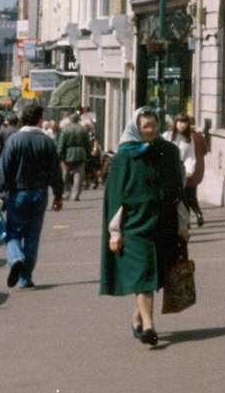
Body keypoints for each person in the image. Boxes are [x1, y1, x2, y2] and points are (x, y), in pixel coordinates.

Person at [100, 107, 189, 347]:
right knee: (143, 274)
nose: (150, 131)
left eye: (153, 126)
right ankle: (149, 327)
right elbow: (116, 197)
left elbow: (177, 190)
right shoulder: (124, 157)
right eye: (145, 126)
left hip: (162, 223)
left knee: (154, 275)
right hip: (133, 225)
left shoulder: (168, 152)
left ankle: (138, 319)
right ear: (136, 127)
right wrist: (114, 232)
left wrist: (183, 222)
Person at [0, 100, 64, 289]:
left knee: (14, 232)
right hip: (40, 193)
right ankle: (25, 278)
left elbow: (4, 169)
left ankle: (15, 258)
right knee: (32, 236)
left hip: (17, 193)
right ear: (39, 119)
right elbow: (55, 172)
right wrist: (58, 195)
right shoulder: (47, 142)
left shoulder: (14, 140)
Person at [164, 114, 205, 227]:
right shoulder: (167, 136)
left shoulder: (189, 138)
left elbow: (190, 155)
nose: (182, 125)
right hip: (167, 168)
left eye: (185, 123)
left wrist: (190, 169)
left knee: (183, 196)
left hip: (181, 169)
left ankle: (184, 222)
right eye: (180, 122)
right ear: (176, 123)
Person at [57, 111, 90, 202]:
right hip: (80, 153)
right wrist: (88, 153)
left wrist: (59, 154)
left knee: (66, 174)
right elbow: (87, 143)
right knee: (78, 175)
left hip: (68, 153)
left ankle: (66, 192)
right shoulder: (83, 129)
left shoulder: (65, 129)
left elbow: (61, 143)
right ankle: (75, 195)